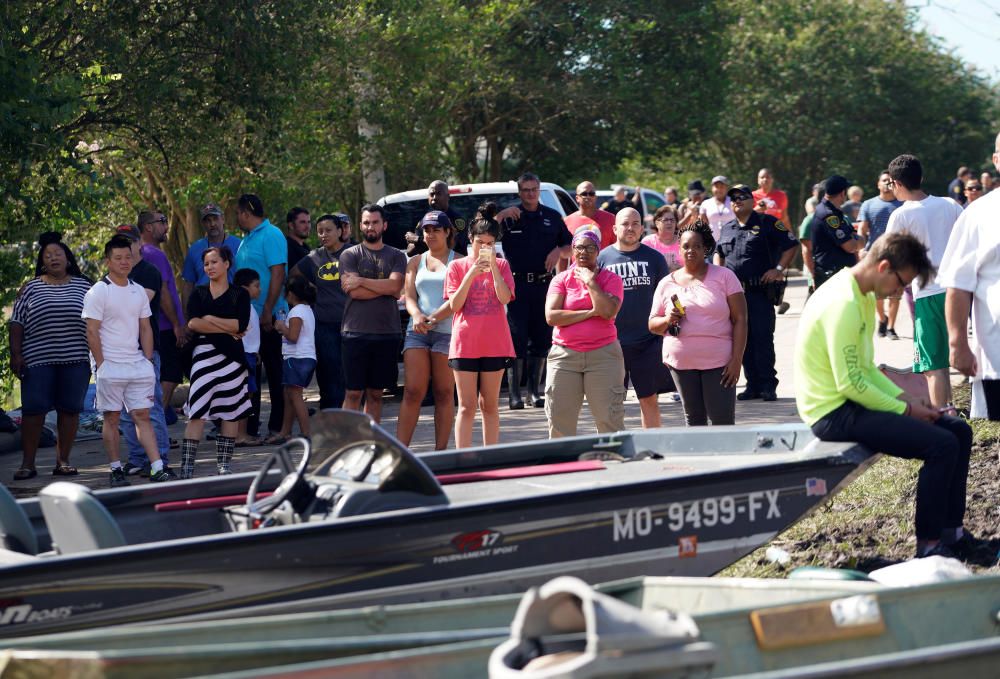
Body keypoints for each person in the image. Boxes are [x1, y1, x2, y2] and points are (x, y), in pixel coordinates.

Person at [794, 232, 978, 560]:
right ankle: (930, 546)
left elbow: (864, 369)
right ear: (883, 266)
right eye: (901, 284)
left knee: (959, 431)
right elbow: (850, 383)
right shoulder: (844, 303)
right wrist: (905, 410)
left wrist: (909, 399)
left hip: (850, 402)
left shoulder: (861, 292)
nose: (899, 292)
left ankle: (954, 534)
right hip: (831, 413)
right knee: (941, 445)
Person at [83, 235, 175, 486]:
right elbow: (91, 331)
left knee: (142, 415)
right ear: (108, 261)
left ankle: (157, 466)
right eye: (118, 258)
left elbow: (145, 327)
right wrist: (102, 365)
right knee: (112, 418)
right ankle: (115, 469)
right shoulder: (98, 291)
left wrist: (146, 359)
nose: (124, 262)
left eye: (128, 257)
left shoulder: (137, 291)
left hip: (137, 364)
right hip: (110, 365)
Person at [9, 232, 92, 480]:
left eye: (58, 253)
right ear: (42, 262)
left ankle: (63, 461)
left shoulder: (85, 285)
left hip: (76, 359)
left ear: (68, 258)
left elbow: (98, 320)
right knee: (34, 411)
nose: (54, 258)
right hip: (37, 360)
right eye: (48, 255)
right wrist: (16, 354)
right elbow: (16, 322)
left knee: (70, 410)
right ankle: (27, 464)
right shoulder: (31, 288)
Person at [885, 153, 964, 409]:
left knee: (933, 365)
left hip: (928, 293)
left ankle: (943, 417)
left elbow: (888, 256)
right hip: (958, 291)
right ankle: (955, 413)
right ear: (921, 177)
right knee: (957, 355)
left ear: (896, 183)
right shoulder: (950, 205)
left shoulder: (901, 215)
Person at [650, 220, 746, 425]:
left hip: (720, 362)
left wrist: (737, 360)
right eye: (686, 246)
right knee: (694, 420)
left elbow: (741, 319)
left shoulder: (725, 276)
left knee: (722, 420)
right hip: (681, 363)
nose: (690, 250)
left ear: (706, 249)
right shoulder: (666, 283)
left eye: (697, 246)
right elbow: (652, 325)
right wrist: (668, 319)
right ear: (679, 248)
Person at [715, 184, 798, 402]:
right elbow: (719, 254)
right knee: (742, 340)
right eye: (733, 199)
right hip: (735, 295)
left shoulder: (767, 222)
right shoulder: (728, 228)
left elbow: (791, 244)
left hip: (759, 292)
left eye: (742, 197)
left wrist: (778, 270)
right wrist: (718, 277)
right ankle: (752, 385)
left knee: (762, 339)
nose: (737, 201)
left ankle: (768, 385)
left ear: (752, 201)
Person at [495, 172, 571, 410]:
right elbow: (482, 234)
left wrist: (559, 252)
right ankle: (514, 395)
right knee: (516, 339)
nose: (530, 194)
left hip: (544, 285)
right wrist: (500, 215)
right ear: (519, 192)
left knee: (541, 338)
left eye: (534, 189)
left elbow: (569, 245)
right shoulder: (510, 217)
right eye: (526, 190)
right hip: (517, 286)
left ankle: (533, 393)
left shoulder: (552, 216)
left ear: (539, 190)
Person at [940, 131, 1000, 420]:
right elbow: (957, 284)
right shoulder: (980, 214)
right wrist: (958, 345)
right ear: (997, 161)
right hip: (997, 354)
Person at [445, 203, 515, 448]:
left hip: (495, 343)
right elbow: (454, 305)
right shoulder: (456, 266)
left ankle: (491, 455)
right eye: (480, 242)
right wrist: (471, 274)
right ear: (470, 239)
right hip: (465, 345)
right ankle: (461, 457)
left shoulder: (503, 266)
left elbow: (505, 298)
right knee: (466, 406)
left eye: (489, 243)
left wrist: (494, 268)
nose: (484, 248)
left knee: (490, 405)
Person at [544, 226, 624, 438]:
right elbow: (552, 317)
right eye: (579, 247)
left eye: (590, 247)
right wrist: (590, 313)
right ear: (572, 250)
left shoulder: (611, 280)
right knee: (559, 421)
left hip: (604, 357)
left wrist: (590, 282)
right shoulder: (561, 280)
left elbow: (607, 311)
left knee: (609, 420)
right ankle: (563, 467)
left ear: (598, 251)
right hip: (564, 356)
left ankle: (615, 465)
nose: (584, 252)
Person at [179, 246, 252, 477]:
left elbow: (240, 325)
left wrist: (208, 319)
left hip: (232, 359)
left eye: (214, 262)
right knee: (197, 411)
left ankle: (224, 465)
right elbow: (192, 323)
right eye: (206, 263)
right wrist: (222, 324)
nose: (209, 267)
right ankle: (187, 466)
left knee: (230, 412)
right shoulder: (199, 293)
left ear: (227, 264)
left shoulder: (240, 294)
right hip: (203, 356)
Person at [598, 208, 672, 428]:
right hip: (611, 344)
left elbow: (666, 296)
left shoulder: (655, 259)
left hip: (647, 342)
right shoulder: (602, 259)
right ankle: (614, 446)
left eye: (635, 223)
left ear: (642, 228)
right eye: (625, 223)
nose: (630, 228)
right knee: (611, 402)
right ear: (614, 228)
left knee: (648, 400)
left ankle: (653, 447)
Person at [339, 204, 407, 423]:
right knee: (353, 393)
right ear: (360, 225)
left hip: (387, 333)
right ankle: (346, 445)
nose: (371, 227)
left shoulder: (397, 255)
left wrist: (361, 281)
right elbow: (355, 293)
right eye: (366, 222)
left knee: (376, 394)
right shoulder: (349, 255)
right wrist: (385, 288)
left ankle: (370, 445)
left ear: (384, 225)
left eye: (375, 222)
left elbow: (396, 288)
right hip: (355, 333)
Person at [115, 224, 172, 477]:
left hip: (145, 351)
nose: (126, 246)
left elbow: (138, 303)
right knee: (127, 411)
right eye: (120, 242)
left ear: (140, 244)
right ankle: (137, 457)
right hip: (118, 351)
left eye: (130, 241)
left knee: (151, 406)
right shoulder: (114, 276)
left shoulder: (148, 271)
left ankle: (158, 457)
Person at [397, 211, 457, 449]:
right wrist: (417, 315)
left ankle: (440, 452)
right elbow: (409, 296)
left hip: (447, 332)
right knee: (412, 391)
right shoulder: (415, 261)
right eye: (427, 230)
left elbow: (457, 299)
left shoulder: (458, 261)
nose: (431, 234)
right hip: (418, 331)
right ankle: (401, 451)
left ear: (447, 232)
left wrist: (434, 317)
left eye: (436, 230)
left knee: (443, 393)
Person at [234, 194, 288, 438]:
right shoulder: (246, 240)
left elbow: (278, 273)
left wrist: (267, 308)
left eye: (238, 213)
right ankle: (250, 430)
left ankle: (277, 427)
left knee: (276, 373)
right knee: (250, 373)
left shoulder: (272, 234)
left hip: (270, 315)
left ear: (246, 212)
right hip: (249, 320)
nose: (236, 217)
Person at [290, 213, 351, 410]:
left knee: (350, 374)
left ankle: (352, 418)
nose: (324, 235)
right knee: (328, 373)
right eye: (320, 232)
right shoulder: (313, 258)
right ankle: (330, 416)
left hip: (352, 323)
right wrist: (307, 296)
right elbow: (292, 276)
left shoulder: (353, 253)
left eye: (328, 230)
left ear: (340, 231)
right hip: (323, 325)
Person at [137, 210, 186, 425]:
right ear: (148, 227)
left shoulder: (148, 252)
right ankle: (156, 424)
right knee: (170, 375)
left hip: (157, 326)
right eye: (163, 221)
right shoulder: (153, 253)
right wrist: (176, 323)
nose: (167, 226)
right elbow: (163, 290)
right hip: (164, 326)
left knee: (168, 375)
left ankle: (159, 423)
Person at [269, 277, 317, 442]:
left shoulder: (296, 312)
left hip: (297, 358)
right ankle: (285, 431)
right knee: (288, 393)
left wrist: (282, 327)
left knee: (295, 395)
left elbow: (293, 336)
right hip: (304, 357)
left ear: (290, 294)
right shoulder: (307, 309)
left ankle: (306, 433)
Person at [858, 171, 904, 339]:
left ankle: (891, 327)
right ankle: (882, 319)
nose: (887, 183)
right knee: (878, 293)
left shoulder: (902, 204)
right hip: (875, 254)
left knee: (896, 292)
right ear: (878, 184)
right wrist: (861, 249)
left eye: (890, 181)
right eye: (884, 181)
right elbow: (862, 229)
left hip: (897, 254)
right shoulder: (868, 205)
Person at [810, 175, 863, 289]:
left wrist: (854, 238)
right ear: (842, 193)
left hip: (836, 275)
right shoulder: (829, 215)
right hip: (832, 277)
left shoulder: (832, 211)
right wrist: (861, 239)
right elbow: (850, 246)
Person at [182, 203, 243, 302]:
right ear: (203, 224)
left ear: (222, 219)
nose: (212, 224)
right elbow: (188, 285)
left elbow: (247, 280)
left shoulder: (239, 246)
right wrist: (186, 314)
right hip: (202, 306)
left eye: (215, 218)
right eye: (208, 220)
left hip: (232, 305)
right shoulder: (195, 249)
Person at [232, 267, 262, 446]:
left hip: (250, 354)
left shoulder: (248, 306)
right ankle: (240, 434)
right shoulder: (240, 306)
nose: (260, 289)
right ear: (244, 288)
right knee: (244, 396)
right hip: (243, 356)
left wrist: (255, 351)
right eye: (256, 286)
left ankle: (239, 433)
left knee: (247, 394)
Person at [405, 180, 469, 256]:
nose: (434, 197)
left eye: (439, 194)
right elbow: (410, 251)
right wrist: (422, 242)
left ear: (447, 197)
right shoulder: (424, 220)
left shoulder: (456, 220)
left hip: (453, 265)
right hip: (429, 265)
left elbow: (449, 245)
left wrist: (417, 239)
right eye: (432, 194)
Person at [565, 180, 616, 249]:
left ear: (595, 197)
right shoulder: (567, 221)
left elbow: (618, 247)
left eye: (591, 194)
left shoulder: (610, 218)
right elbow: (564, 251)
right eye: (584, 194)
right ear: (577, 198)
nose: (588, 196)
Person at [798, 182, 825, 295]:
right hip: (818, 269)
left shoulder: (841, 217)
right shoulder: (810, 219)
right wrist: (813, 273)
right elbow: (806, 250)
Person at [642, 205, 682, 271]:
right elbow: (644, 268)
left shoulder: (683, 241)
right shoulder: (647, 243)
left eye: (672, 220)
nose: (669, 222)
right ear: (657, 223)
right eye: (665, 220)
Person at [698, 176, 735, 242]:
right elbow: (703, 224)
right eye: (716, 187)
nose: (718, 189)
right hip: (712, 242)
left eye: (721, 187)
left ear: (726, 188)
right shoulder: (706, 203)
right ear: (712, 188)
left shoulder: (734, 202)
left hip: (732, 241)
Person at [285, 207, 312, 271]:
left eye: (309, 222)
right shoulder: (286, 248)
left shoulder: (306, 247)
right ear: (291, 225)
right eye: (302, 222)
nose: (307, 226)